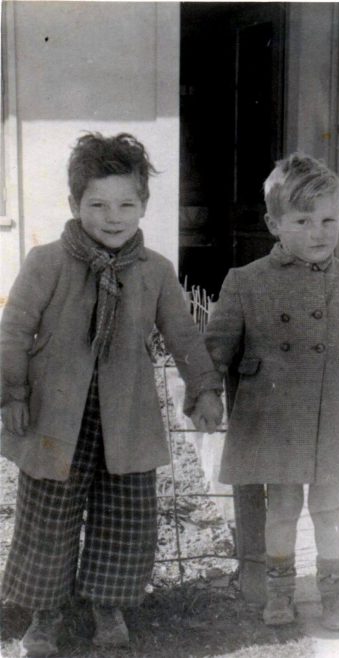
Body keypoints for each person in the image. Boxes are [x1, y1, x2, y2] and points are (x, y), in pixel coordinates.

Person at [0, 132, 223, 656]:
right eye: (97, 204)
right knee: (47, 520)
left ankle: (108, 608)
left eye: (127, 203)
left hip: (126, 420)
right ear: (75, 204)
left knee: (124, 519)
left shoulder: (155, 271)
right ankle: (44, 616)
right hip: (56, 422)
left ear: (144, 205)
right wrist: (11, 392)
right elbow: (13, 330)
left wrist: (205, 388)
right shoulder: (46, 262)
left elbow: (183, 335)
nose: (113, 216)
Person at [205, 153, 339, 631]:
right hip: (275, 418)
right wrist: (204, 394)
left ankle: (334, 597)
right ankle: (280, 592)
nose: (318, 232)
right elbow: (215, 350)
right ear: (274, 223)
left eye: (329, 219)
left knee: (329, 509)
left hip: (333, 418)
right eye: (303, 220)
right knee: (282, 508)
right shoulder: (246, 283)